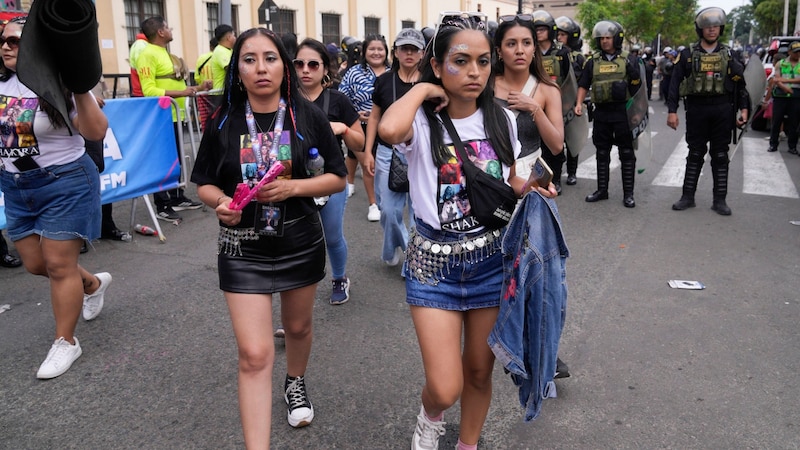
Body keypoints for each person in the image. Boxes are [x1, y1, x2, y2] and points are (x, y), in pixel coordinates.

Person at [378, 12, 556, 450]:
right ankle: (431, 415)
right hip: (433, 266)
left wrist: (534, 185)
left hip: (492, 263)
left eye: (482, 61)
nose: (475, 72)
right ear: (437, 65)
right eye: (460, 60)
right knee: (444, 386)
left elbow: (510, 182)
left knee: (479, 371)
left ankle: (468, 444)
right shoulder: (422, 121)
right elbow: (387, 129)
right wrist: (421, 88)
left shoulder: (504, 121)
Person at [190, 28, 346, 447]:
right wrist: (221, 201)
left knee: (297, 327)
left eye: (271, 58)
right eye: (249, 59)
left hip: (299, 241)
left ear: (285, 66)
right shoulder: (222, 118)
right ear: (236, 68)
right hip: (241, 247)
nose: (261, 68)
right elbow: (202, 182)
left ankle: (295, 380)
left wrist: (294, 188)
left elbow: (337, 177)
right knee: (255, 355)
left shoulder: (306, 115)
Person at [0, 16, 113, 379]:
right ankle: (93, 284)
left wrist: (80, 86)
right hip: (16, 187)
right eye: (3, 40)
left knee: (59, 265)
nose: (6, 47)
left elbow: (95, 131)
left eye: (15, 41)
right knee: (37, 264)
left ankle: (66, 342)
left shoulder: (61, 82)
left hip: (65, 181)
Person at [494, 14, 571, 380]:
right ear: (500, 50)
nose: (520, 50)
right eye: (511, 43)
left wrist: (535, 109)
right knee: (498, 272)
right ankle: (504, 344)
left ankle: (541, 350)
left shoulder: (546, 89)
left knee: (540, 275)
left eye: (526, 43)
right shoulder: (485, 85)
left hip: (535, 191)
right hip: (493, 183)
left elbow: (557, 144)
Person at [294, 37, 364, 303]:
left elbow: (360, 142)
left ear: (325, 68)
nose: (305, 70)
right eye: (299, 64)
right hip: (295, 181)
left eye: (313, 64)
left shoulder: (337, 100)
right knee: (298, 239)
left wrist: (344, 129)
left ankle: (339, 278)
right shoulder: (284, 99)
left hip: (330, 179)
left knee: (332, 236)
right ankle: (297, 291)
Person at [668, 7, 749, 215]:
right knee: (695, 153)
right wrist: (672, 111)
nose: (712, 30)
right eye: (707, 27)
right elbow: (675, 83)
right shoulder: (687, 55)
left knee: (721, 155)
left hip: (723, 109)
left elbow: (740, 84)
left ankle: (719, 200)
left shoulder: (730, 55)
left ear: (720, 29)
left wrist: (744, 109)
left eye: (715, 26)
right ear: (700, 29)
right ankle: (688, 197)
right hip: (697, 109)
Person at [137, 16, 209, 221]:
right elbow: (149, 90)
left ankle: (177, 198)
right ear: (160, 32)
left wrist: (200, 88)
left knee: (176, 159)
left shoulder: (166, 54)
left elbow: (180, 86)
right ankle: (162, 204)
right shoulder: (147, 54)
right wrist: (183, 94)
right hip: (162, 117)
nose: (170, 30)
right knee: (162, 161)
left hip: (177, 115)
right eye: (167, 27)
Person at [368, 28, 424, 266]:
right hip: (387, 152)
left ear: (422, 53)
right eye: (404, 48)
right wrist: (367, 152)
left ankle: (413, 259)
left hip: (421, 153)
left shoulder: (429, 81)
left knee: (418, 213)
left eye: (414, 49)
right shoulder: (384, 80)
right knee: (389, 211)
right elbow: (374, 117)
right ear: (396, 52)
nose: (409, 53)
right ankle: (400, 244)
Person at [575, 20, 641, 208]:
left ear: (616, 39)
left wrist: (638, 113)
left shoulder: (629, 59)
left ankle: (629, 194)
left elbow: (638, 88)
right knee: (602, 153)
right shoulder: (593, 61)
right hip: (602, 114)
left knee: (626, 153)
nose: (605, 41)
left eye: (608, 38)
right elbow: (583, 84)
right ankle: (602, 190)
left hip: (623, 114)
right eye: (602, 38)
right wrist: (579, 103)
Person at [338, 34, 390, 219]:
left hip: (387, 128)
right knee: (369, 164)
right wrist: (354, 113)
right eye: (372, 49)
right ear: (365, 52)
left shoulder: (393, 73)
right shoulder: (354, 73)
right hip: (360, 127)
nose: (376, 52)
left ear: (386, 52)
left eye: (380, 49)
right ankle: (373, 204)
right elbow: (342, 97)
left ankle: (353, 183)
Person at [532, 10, 572, 194]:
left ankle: (556, 178)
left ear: (551, 30)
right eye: (536, 29)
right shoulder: (531, 52)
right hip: (536, 102)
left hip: (556, 104)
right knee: (538, 144)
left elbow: (569, 80)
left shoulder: (562, 52)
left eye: (542, 29)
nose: (539, 32)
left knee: (556, 145)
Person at [555, 15, 586, 187]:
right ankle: (556, 175)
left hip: (572, 103)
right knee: (556, 141)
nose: (559, 37)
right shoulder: (555, 54)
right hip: (554, 103)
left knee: (572, 138)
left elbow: (583, 81)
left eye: (563, 34)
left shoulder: (579, 57)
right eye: (558, 34)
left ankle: (572, 173)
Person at [767, 41, 800, 155]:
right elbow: (776, 79)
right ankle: (773, 145)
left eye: (799, 52)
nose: (797, 54)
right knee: (776, 121)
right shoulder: (780, 64)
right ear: (789, 52)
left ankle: (792, 146)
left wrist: (785, 81)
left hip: (796, 96)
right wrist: (785, 87)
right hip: (781, 95)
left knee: (794, 123)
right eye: (795, 52)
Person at [210, 24, 235, 91]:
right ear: (229, 37)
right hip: (221, 93)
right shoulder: (220, 51)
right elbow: (231, 68)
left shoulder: (229, 50)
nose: (235, 38)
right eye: (233, 35)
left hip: (227, 91)